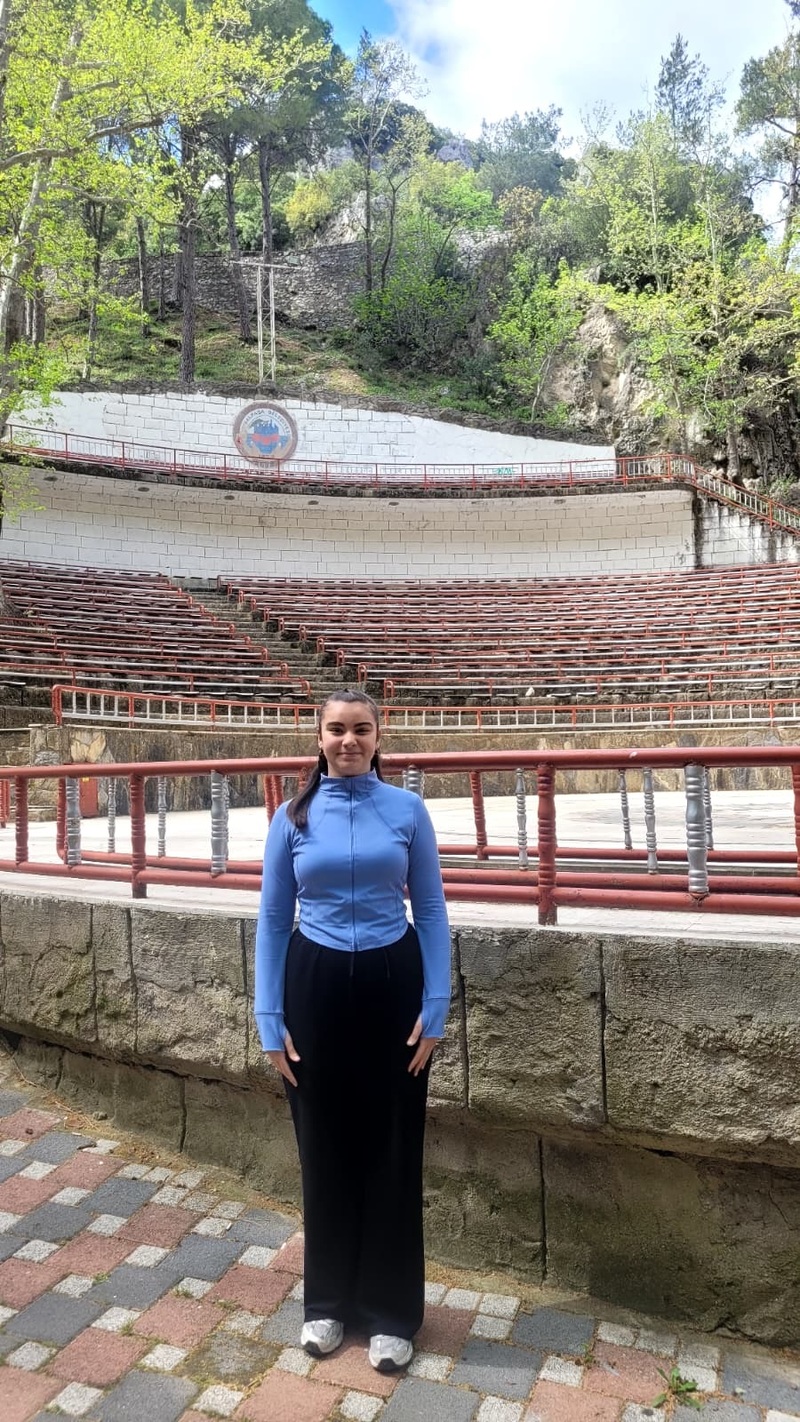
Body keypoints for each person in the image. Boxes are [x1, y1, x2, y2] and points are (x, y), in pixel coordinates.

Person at [254, 689, 451, 1373]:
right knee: (324, 1144)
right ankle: (328, 1302)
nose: (348, 741)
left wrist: (436, 1002)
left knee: (393, 1145)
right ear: (318, 738)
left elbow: (430, 908)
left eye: (361, 729)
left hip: (395, 984)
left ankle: (393, 1311)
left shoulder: (407, 810)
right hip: (313, 985)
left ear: (378, 736)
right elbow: (273, 919)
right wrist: (269, 1019)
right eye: (336, 729)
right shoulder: (292, 817)